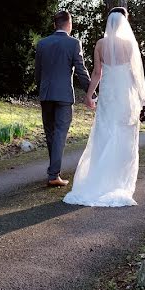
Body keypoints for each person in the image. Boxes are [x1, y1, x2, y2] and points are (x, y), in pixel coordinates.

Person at [63, 7, 145, 207]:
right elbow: (136, 75)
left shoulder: (100, 44)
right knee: (124, 133)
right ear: (124, 24)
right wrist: (143, 99)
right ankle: (119, 181)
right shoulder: (130, 45)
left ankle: (98, 179)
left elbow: (97, 73)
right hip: (125, 95)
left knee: (105, 132)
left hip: (108, 95)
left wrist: (90, 94)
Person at [34, 11, 92, 187]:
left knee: (51, 133)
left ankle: (53, 171)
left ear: (54, 25)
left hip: (46, 94)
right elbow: (81, 71)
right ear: (69, 24)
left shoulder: (42, 43)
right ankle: (53, 174)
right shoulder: (74, 43)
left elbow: (38, 72)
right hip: (64, 96)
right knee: (60, 133)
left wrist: (41, 89)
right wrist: (91, 92)